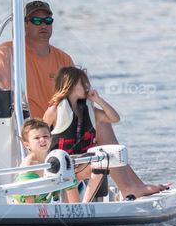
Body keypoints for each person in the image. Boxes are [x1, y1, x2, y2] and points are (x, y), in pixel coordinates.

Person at [0, 0, 169, 199]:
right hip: (35, 128)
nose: (44, 25)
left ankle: (131, 186)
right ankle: (129, 186)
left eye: (48, 20)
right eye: (36, 20)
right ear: (25, 25)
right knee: (98, 126)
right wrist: (3, 94)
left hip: (63, 126)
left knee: (101, 123)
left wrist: (94, 105)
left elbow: (80, 100)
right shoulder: (8, 52)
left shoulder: (63, 58)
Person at [42, 66, 119, 203]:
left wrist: (98, 100)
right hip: (59, 166)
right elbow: (41, 137)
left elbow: (114, 118)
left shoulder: (89, 109)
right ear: (70, 85)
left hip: (79, 163)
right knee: (68, 175)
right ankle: (71, 203)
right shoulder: (54, 111)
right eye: (82, 83)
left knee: (102, 163)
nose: (87, 86)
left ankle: (85, 205)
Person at [12, 118, 83, 204]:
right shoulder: (29, 166)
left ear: (50, 139)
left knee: (76, 182)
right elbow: (29, 205)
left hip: (45, 208)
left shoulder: (53, 160)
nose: (42, 139)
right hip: (29, 212)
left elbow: (67, 187)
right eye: (37, 138)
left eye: (45, 136)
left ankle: (77, 213)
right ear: (27, 145)